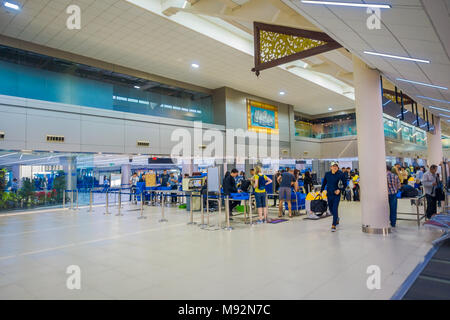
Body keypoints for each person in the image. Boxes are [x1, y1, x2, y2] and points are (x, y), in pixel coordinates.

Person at [321, 162, 346, 232]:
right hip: (329, 194)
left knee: (335, 208)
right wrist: (321, 191)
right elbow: (324, 183)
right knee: (331, 209)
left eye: (336, 166)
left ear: (338, 167)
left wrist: (340, 190)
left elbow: (344, 184)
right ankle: (337, 218)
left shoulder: (341, 174)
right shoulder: (327, 174)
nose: (335, 167)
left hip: (336, 195)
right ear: (331, 167)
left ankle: (333, 225)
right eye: (333, 166)